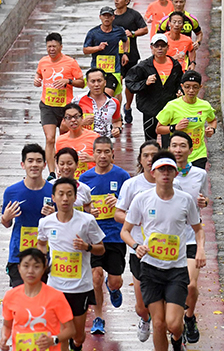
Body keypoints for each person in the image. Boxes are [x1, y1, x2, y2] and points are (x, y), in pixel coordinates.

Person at [120, 152, 205, 351]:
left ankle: (177, 338)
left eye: (169, 170)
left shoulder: (185, 200)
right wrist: (135, 246)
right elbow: (125, 231)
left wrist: (200, 249)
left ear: (176, 173)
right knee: (158, 324)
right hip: (150, 269)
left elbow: (198, 229)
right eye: (161, 170)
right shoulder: (142, 199)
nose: (165, 174)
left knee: (173, 324)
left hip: (176, 270)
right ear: (153, 172)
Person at [38, 177, 106, 351]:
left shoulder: (87, 221)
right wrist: (43, 261)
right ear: (53, 197)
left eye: (69, 194)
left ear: (76, 197)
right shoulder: (45, 222)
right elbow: (41, 243)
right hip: (55, 287)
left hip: (80, 287)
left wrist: (87, 246)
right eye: (61, 194)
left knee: (77, 334)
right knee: (61, 331)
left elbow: (101, 249)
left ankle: (76, 345)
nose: (65, 199)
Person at [79, 136, 131, 335]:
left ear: (112, 154)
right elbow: (79, 209)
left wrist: (118, 202)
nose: (102, 155)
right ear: (93, 154)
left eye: (106, 152)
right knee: (96, 276)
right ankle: (99, 317)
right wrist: (87, 213)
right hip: (93, 236)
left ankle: (114, 288)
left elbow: (132, 206)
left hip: (115, 235)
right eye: (98, 152)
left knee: (114, 280)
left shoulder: (122, 176)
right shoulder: (85, 179)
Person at [113, 140, 161, 342]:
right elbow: (118, 214)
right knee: (142, 306)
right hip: (139, 250)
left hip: (166, 252)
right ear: (140, 160)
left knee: (166, 303)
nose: (150, 159)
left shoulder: (171, 183)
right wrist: (136, 221)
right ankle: (144, 319)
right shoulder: (132, 185)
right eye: (146, 156)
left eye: (154, 155)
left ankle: (174, 334)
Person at [167, 131, 209, 344]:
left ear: (191, 150)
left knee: (191, 285)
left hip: (191, 238)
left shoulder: (200, 174)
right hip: (167, 242)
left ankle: (189, 318)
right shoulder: (163, 173)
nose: (178, 150)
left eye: (182, 146)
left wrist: (204, 202)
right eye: (174, 145)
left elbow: (204, 200)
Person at [0, 247, 76, 351]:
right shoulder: (10, 296)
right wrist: (4, 338)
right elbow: (7, 325)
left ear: (44, 269)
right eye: (26, 266)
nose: (30, 271)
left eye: (36, 267)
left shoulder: (56, 296)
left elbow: (71, 330)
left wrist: (53, 340)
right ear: (19, 268)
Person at [2, 144, 55, 286]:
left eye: (38, 161)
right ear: (23, 164)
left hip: (46, 255)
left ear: (44, 165)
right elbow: (7, 223)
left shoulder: (54, 191)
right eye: (30, 161)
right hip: (19, 255)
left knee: (42, 301)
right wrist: (5, 218)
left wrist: (54, 215)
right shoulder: (11, 192)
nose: (34, 165)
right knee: (21, 299)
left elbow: (63, 222)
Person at [35, 32, 86, 176]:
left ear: (61, 47)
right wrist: (36, 80)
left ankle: (65, 168)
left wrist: (68, 81)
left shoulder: (70, 62)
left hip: (66, 108)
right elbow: (39, 74)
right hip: (47, 105)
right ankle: (51, 172)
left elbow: (82, 83)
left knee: (64, 138)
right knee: (50, 138)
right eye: (49, 46)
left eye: (54, 46)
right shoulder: (43, 61)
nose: (51, 49)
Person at [125, 34, 184, 142]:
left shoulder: (175, 65)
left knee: (169, 144)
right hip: (150, 110)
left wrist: (180, 91)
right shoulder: (143, 66)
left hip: (168, 111)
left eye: (163, 45)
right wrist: (145, 83)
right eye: (157, 46)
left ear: (167, 47)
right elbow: (130, 83)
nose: (160, 48)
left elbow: (180, 82)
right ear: (151, 47)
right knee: (150, 143)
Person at [155, 71, 217, 168]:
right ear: (182, 86)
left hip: (198, 154)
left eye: (195, 87)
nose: (191, 90)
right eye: (187, 87)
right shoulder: (172, 106)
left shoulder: (205, 106)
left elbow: (212, 120)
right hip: (177, 155)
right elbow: (158, 129)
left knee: (196, 182)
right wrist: (175, 128)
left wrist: (212, 129)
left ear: (200, 87)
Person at [113, 0, 148, 125]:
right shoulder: (110, 16)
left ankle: (127, 107)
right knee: (117, 84)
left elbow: (144, 29)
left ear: (127, 1)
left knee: (129, 84)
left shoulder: (133, 15)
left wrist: (132, 33)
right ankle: (118, 114)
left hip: (131, 54)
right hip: (114, 56)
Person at [82, 7, 128, 97]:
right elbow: (85, 50)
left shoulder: (119, 31)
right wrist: (98, 48)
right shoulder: (93, 33)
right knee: (98, 95)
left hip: (113, 70)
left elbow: (126, 40)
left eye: (109, 16)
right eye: (104, 16)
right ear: (100, 17)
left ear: (113, 17)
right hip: (97, 71)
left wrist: (125, 54)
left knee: (108, 95)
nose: (107, 18)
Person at [75, 69, 122, 138]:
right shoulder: (77, 100)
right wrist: (81, 123)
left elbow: (117, 121)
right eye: (93, 81)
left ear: (105, 82)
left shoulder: (114, 102)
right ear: (87, 84)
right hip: (84, 142)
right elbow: (64, 125)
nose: (96, 84)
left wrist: (117, 129)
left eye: (99, 81)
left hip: (105, 143)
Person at [56, 102, 101, 174]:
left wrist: (92, 159)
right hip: (70, 180)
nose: (73, 120)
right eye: (69, 117)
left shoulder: (94, 137)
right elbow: (57, 161)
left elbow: (109, 160)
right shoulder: (60, 140)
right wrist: (58, 169)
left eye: (76, 116)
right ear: (64, 120)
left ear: (82, 118)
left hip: (91, 179)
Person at [54, 147, 92, 212]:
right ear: (57, 165)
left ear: (77, 164)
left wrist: (91, 210)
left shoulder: (84, 189)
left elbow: (88, 206)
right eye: (62, 164)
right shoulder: (50, 186)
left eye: (69, 164)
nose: (65, 167)